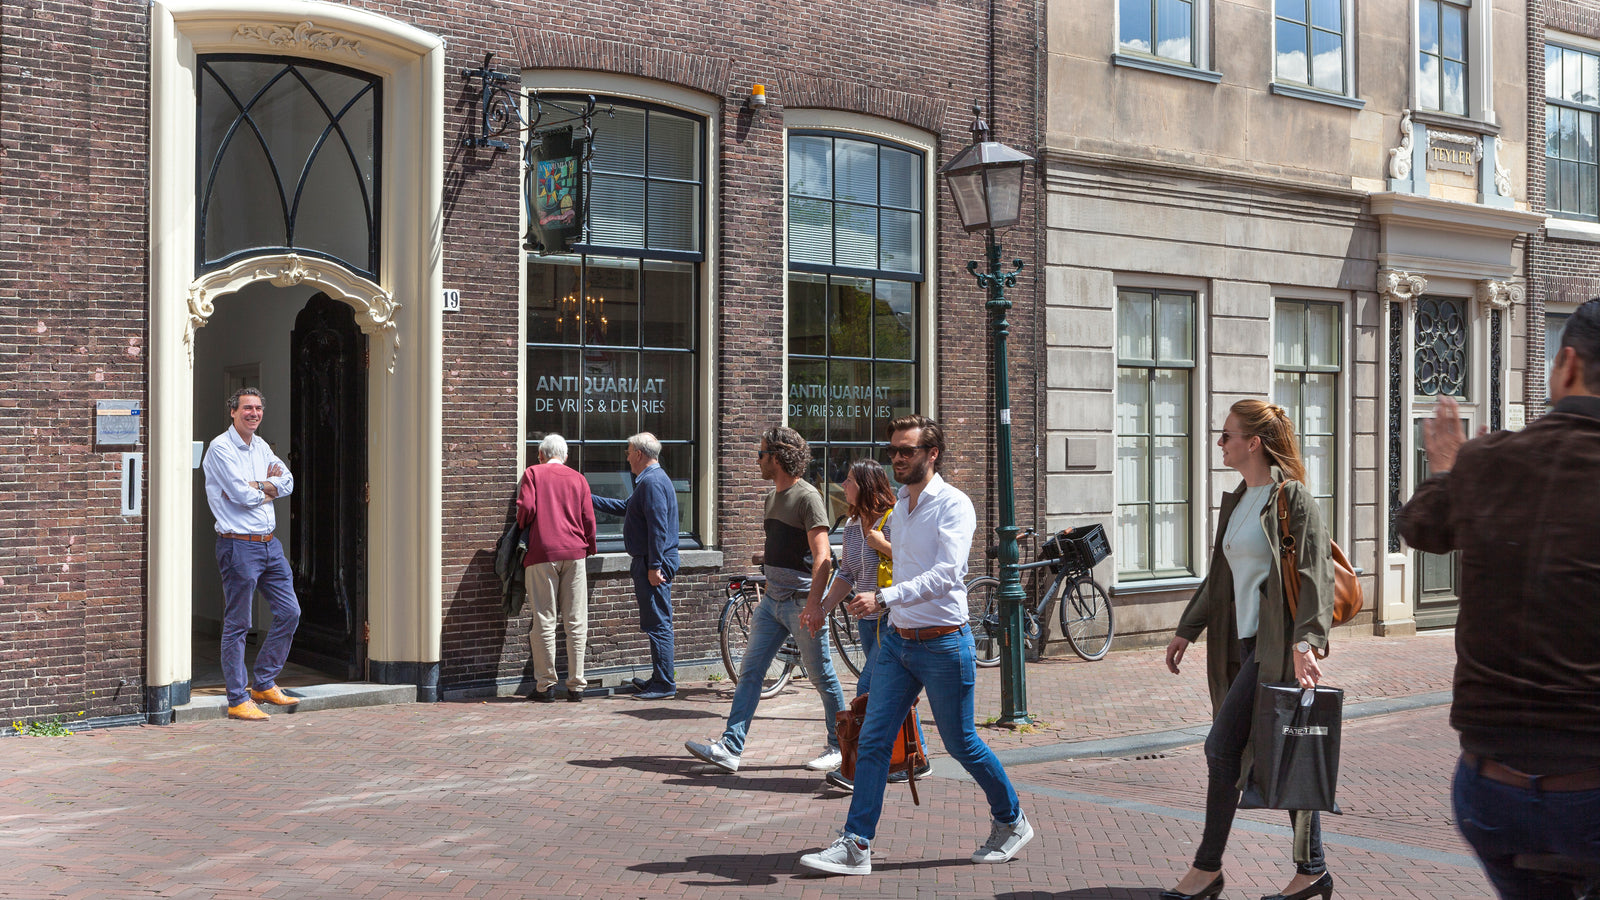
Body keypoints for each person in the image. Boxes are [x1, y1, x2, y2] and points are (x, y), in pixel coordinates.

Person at [1398, 297, 1600, 900]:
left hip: (1492, 790)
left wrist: (1450, 467)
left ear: (1567, 364)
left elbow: (1420, 526)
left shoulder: (1488, 460)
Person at [798, 415, 1032, 876]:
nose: (898, 459)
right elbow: (887, 567)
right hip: (898, 643)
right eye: (893, 451)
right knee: (873, 740)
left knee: (961, 743)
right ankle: (856, 843)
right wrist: (840, 604)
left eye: (907, 451)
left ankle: (1011, 820)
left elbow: (948, 574)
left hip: (944, 643)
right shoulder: (900, 506)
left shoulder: (954, 504)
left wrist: (884, 598)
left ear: (932, 453)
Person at [1161, 399, 1335, 900]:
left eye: (1227, 435)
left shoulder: (1291, 498)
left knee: (1223, 747)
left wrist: (1307, 642)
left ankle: (1207, 869)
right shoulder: (1238, 500)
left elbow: (1316, 574)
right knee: (1282, 750)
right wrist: (1187, 628)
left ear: (1253, 443)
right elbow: (1220, 575)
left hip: (1275, 646)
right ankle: (1312, 871)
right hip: (1238, 644)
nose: (1220, 443)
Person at [685, 426, 849, 774]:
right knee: (750, 672)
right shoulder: (772, 498)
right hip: (772, 602)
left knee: (822, 676)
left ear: (777, 457)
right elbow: (791, 546)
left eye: (761, 454)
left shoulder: (808, 497)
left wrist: (815, 605)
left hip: (800, 603)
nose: (757, 460)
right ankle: (730, 747)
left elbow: (823, 557)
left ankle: (841, 747)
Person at [815, 458, 930, 793]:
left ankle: (858, 769)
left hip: (893, 619)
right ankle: (916, 758)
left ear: (866, 485)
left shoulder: (895, 519)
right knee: (895, 692)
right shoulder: (852, 526)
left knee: (868, 690)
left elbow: (917, 565)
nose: (843, 485)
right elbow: (848, 574)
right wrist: (823, 608)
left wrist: (882, 546)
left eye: (849, 480)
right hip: (867, 623)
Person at [201, 387, 300, 723]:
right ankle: (237, 699)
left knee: (290, 612)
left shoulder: (262, 446)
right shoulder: (220, 448)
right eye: (247, 408)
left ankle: (264, 683)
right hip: (238, 545)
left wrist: (258, 486)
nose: (253, 414)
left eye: (258, 408)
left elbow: (288, 482)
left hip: (270, 545)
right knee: (239, 623)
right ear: (233, 411)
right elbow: (240, 496)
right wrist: (266, 488)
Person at [593, 432, 680, 701]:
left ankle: (664, 684)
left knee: (658, 623)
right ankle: (659, 677)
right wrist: (586, 497)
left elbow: (658, 527)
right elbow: (626, 507)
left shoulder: (652, 482)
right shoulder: (651, 481)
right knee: (656, 621)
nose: (627, 457)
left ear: (639, 454)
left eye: (629, 452)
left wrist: (654, 566)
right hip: (650, 560)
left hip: (652, 562)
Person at [516, 433, 597, 703]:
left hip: (542, 552)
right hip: (575, 553)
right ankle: (576, 686)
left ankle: (546, 686)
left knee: (544, 619)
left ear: (541, 455)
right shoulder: (578, 478)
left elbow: (526, 508)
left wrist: (525, 525)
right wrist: (589, 548)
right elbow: (588, 518)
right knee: (576, 620)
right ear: (565, 456)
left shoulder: (533, 473)